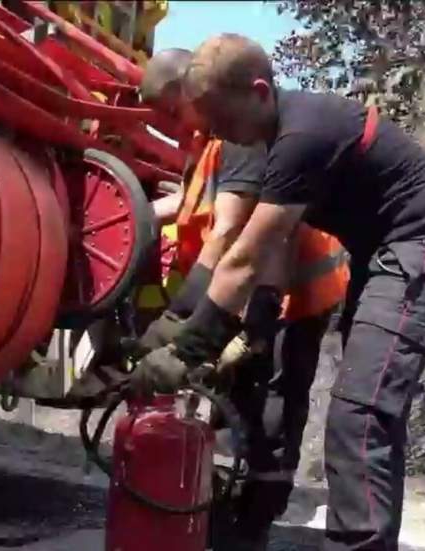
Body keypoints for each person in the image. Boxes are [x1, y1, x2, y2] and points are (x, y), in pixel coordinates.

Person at [130, 34, 425, 551]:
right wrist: (231, 322)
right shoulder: (276, 137)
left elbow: (243, 255)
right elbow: (275, 246)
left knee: (360, 417)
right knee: (365, 418)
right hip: (388, 258)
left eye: (222, 121)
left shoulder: (302, 135)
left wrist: (187, 347)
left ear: (260, 92)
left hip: (421, 254)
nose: (216, 134)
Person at [135, 48, 350, 550]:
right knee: (236, 405)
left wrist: (185, 318)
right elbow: (199, 208)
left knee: (270, 412)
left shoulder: (239, 138)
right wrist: (136, 213)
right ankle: (225, 515)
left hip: (289, 300)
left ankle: (250, 525)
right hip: (251, 294)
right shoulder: (211, 140)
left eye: (174, 111)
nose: (175, 124)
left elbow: (235, 233)